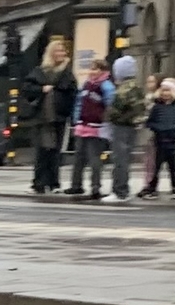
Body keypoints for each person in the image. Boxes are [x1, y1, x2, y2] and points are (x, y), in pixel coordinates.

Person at [104, 60, 151, 204]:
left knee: (120, 160)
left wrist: (110, 116)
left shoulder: (123, 90)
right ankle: (123, 190)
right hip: (132, 127)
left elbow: (114, 110)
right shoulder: (137, 88)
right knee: (126, 159)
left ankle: (119, 191)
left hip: (121, 126)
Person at [67, 56, 113, 198]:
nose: (92, 72)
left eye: (96, 69)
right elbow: (79, 103)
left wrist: (106, 123)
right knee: (78, 158)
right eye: (91, 69)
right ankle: (76, 185)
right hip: (82, 125)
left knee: (95, 159)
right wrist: (76, 119)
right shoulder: (86, 85)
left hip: (97, 127)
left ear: (103, 71)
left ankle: (95, 187)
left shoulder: (106, 86)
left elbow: (110, 106)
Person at [31, 59, 76, 193]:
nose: (61, 55)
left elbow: (72, 93)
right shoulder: (39, 71)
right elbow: (28, 89)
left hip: (58, 118)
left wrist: (67, 111)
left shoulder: (67, 74)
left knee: (54, 152)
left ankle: (52, 182)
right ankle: (41, 182)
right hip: (44, 119)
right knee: (44, 151)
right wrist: (41, 89)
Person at [143, 77, 175, 197]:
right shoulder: (157, 107)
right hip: (159, 139)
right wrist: (158, 127)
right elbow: (150, 122)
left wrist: (173, 128)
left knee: (173, 167)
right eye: (163, 90)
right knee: (156, 166)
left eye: (168, 90)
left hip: (171, 140)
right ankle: (153, 188)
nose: (165, 93)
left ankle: (174, 187)